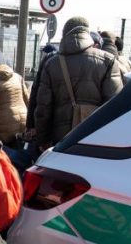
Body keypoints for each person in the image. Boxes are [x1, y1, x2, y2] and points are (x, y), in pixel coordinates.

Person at [34, 16, 125, 149]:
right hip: (95, 137)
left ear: (64, 34)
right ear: (87, 33)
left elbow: (43, 108)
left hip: (60, 139)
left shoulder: (52, 64)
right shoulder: (107, 61)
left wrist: (43, 140)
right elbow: (115, 105)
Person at [0, 63, 29, 147]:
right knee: (18, 146)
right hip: (23, 117)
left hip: (3, 120)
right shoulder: (17, 77)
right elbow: (27, 98)